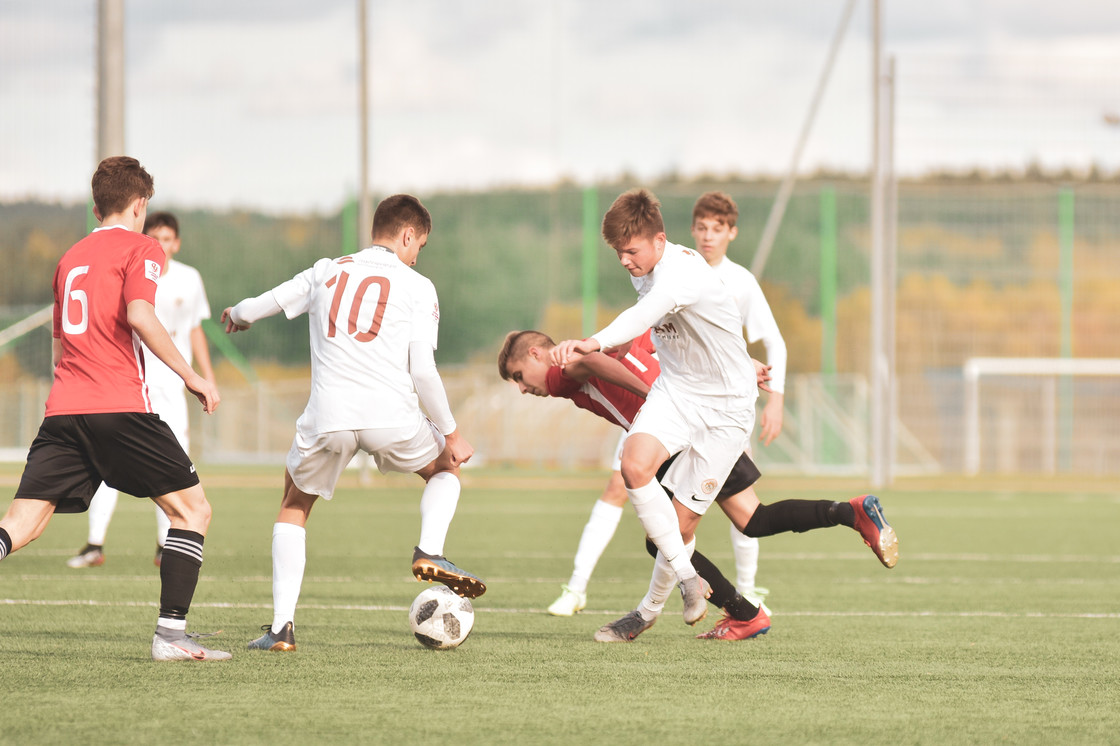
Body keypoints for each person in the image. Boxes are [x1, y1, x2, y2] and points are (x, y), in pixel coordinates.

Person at [549, 189, 898, 642]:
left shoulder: (680, 273)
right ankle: (691, 585)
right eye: (617, 253)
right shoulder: (647, 268)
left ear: (659, 239)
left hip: (724, 411)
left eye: (630, 251)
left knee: (688, 530)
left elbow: (645, 315)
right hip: (676, 393)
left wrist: (591, 343)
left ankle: (652, 610)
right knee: (633, 467)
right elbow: (660, 326)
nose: (623, 261)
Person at [221, 194, 483, 653]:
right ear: (407, 236)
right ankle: (429, 551)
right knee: (444, 470)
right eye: (419, 244)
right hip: (393, 417)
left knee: (294, 504)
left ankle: (282, 629)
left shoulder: (326, 269)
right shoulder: (418, 285)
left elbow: (256, 305)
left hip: (329, 417)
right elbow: (422, 370)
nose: (417, 254)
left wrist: (237, 316)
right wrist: (453, 433)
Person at [0, 156, 229, 661]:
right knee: (193, 510)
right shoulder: (143, 247)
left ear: (95, 204)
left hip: (64, 411)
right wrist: (191, 376)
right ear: (140, 203)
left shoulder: (69, 259)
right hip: (120, 408)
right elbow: (140, 313)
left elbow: (62, 343)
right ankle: (170, 636)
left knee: (22, 522)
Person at [499, 329, 774, 640]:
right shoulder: (617, 339)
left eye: (519, 376)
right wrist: (736, 364)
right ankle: (741, 611)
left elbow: (593, 361)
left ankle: (657, 608)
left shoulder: (561, 373)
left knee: (712, 527)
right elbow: (663, 338)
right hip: (686, 434)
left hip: (690, 440)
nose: (521, 388)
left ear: (536, 354)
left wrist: (653, 397)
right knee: (747, 520)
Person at [66, 211, 215, 569]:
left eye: (167, 238)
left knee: (175, 467)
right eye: (156, 237)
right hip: (130, 384)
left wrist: (203, 375)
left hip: (170, 389)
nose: (161, 244)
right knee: (107, 462)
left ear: (176, 243)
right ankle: (94, 543)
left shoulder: (189, 279)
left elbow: (194, 330)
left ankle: (167, 546)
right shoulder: (132, 268)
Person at [691, 191, 788, 604]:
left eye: (717, 229)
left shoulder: (741, 281)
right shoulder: (678, 271)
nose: (707, 237)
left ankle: (746, 591)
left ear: (732, 232)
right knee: (658, 504)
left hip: (729, 409)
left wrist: (776, 400)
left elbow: (775, 343)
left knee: (741, 503)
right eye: (701, 228)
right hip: (682, 406)